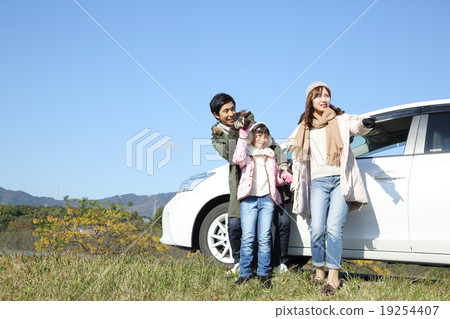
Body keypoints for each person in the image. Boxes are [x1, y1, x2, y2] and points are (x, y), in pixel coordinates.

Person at [286, 81, 375, 295]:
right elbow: (291, 145)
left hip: (339, 181)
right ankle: (319, 273)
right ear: (310, 100)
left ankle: (333, 278)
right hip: (317, 182)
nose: (323, 99)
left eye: (326, 95)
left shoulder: (341, 120)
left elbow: (357, 125)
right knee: (317, 229)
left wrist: (365, 122)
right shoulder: (304, 125)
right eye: (318, 96)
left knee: (334, 228)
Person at [209, 93, 291, 274]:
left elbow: (274, 146)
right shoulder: (216, 137)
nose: (231, 114)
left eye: (232, 108)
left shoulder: (251, 122)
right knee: (235, 225)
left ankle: (278, 263)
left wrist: (283, 166)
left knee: (283, 221)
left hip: (267, 180)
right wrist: (235, 132)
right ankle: (240, 262)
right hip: (242, 183)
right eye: (225, 111)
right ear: (217, 115)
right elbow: (232, 156)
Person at [232, 122, 293, 288]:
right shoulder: (247, 155)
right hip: (249, 200)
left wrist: (284, 177)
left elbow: (275, 179)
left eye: (265, 135)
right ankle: (244, 273)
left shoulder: (270, 155)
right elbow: (237, 159)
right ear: (252, 137)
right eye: (258, 135)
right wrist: (243, 136)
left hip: (267, 200)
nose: (262, 139)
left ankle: (263, 274)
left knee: (265, 237)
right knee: (248, 238)